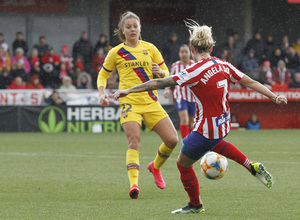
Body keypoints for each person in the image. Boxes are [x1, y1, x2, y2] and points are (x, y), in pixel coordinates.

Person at [113, 20, 287, 214]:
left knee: (183, 164)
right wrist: (274, 96)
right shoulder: (223, 64)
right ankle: (251, 166)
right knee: (214, 143)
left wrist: (128, 90)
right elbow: (251, 81)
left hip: (206, 129)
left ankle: (195, 205)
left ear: (191, 48)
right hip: (224, 123)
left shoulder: (193, 71)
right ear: (211, 48)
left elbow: (159, 83)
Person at [97, 11, 178, 199]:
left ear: (140, 29)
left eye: (135, 26)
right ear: (122, 30)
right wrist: (102, 95)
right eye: (129, 26)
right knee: (134, 141)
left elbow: (167, 73)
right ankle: (134, 185)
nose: (132, 29)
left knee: (173, 140)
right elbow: (102, 75)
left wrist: (161, 72)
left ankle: (155, 167)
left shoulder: (150, 48)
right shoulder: (116, 52)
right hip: (129, 101)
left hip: (151, 101)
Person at [164, 44, 195, 139]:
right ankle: (185, 143)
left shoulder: (194, 65)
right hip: (180, 95)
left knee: (191, 122)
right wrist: (166, 89)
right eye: (182, 52)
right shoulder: (175, 66)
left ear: (190, 53)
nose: (184, 54)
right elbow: (170, 79)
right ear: (179, 54)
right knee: (184, 119)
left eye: (186, 52)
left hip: (192, 97)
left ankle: (191, 143)